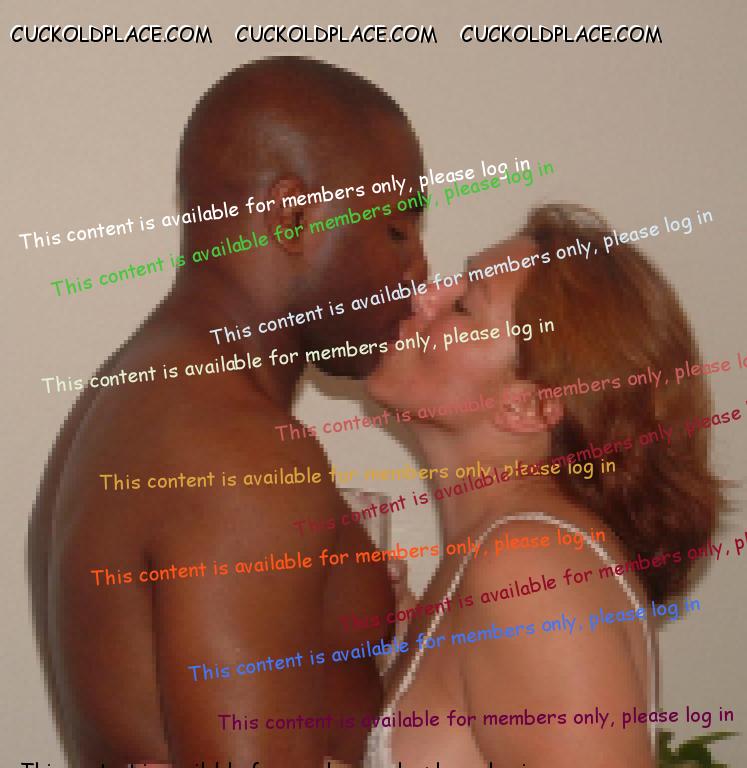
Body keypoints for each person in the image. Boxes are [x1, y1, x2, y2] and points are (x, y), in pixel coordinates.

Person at [28, 57, 427, 767]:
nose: (419, 269)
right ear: (292, 216)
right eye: (396, 229)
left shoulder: (135, 391)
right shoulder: (238, 450)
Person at [363, 203, 722, 767]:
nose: (425, 296)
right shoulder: (499, 560)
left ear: (528, 406)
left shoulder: (530, 575)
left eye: (463, 306)